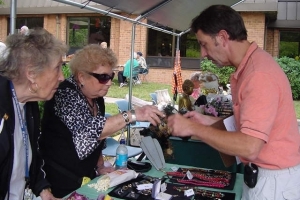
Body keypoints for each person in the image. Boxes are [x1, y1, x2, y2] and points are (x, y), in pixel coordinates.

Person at [167, 5, 300, 200]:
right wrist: (207, 122)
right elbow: (250, 127)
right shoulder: (250, 68)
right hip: (266, 179)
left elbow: (249, 146)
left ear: (222, 37)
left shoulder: (258, 75)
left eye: (204, 44)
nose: (203, 53)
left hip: (274, 185)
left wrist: (193, 129)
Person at [39, 44, 164, 198]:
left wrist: (100, 166)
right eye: (103, 77)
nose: (110, 82)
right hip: (58, 179)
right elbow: (91, 131)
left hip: (84, 177)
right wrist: (132, 114)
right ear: (81, 77)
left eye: (110, 76)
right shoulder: (65, 95)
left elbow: (98, 139)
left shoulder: (97, 100)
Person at [0, 28, 67, 200]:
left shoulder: (29, 105)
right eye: (57, 68)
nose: (62, 77)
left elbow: (30, 155)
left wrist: (43, 190)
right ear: (31, 74)